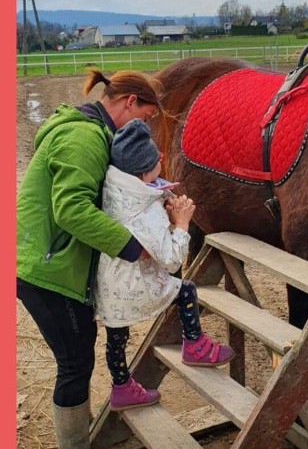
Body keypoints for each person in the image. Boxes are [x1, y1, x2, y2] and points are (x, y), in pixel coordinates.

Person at [17, 67, 164, 449]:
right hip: (48, 269)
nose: (146, 128)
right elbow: (72, 210)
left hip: (51, 261)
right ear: (129, 103)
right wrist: (135, 247)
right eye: (147, 118)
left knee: (77, 358)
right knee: (75, 363)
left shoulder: (93, 131)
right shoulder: (84, 138)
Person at [95, 119, 234, 410]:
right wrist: (181, 223)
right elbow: (171, 261)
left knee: (116, 338)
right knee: (185, 290)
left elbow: (150, 193)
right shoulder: (143, 213)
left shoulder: (115, 188)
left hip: (109, 284)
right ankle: (194, 344)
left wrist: (163, 199)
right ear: (145, 171)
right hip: (135, 284)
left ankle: (121, 386)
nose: (161, 159)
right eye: (156, 158)